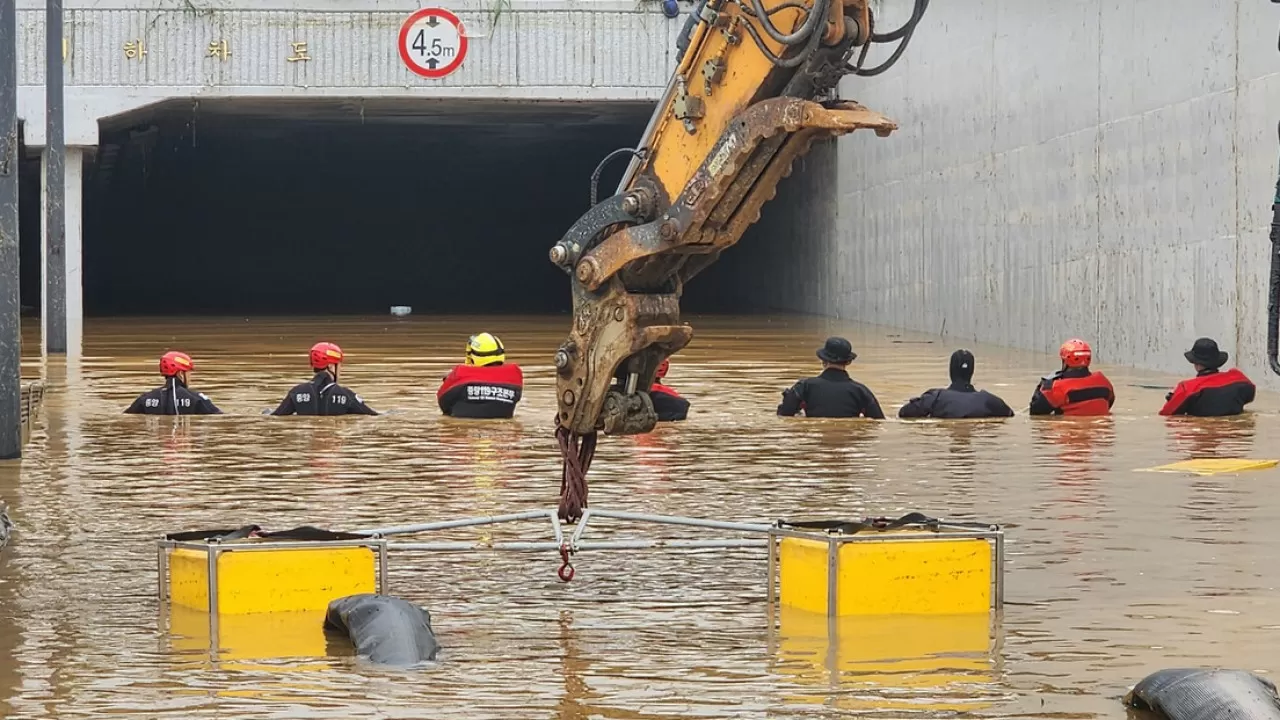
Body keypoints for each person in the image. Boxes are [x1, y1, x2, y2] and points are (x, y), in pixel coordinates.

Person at [777, 337, 884, 419]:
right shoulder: (861, 391)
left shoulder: (804, 386)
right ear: (848, 362)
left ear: (823, 361)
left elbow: (784, 415)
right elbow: (878, 421)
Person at [899, 349, 1015, 419]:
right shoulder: (990, 401)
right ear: (972, 371)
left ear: (951, 370)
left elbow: (903, 413)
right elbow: (1011, 415)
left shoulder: (936, 397)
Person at [271, 342, 378, 416]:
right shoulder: (346, 395)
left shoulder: (296, 393)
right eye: (339, 365)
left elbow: (275, 416)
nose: (341, 369)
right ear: (331, 366)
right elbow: (373, 415)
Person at [1159, 337, 1255, 416]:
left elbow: (1166, 413)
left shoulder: (1186, 388)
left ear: (1195, 363)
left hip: (1202, 433)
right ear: (1218, 360)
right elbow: (1250, 397)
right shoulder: (1238, 378)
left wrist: (1172, 399)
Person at [437, 332, 524, 418]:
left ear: (474, 356)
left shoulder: (460, 372)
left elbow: (443, 402)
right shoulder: (515, 374)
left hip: (464, 426)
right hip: (503, 427)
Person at [1029, 338, 1115, 416]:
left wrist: (1044, 384)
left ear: (1065, 361)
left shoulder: (1057, 388)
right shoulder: (1103, 382)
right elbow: (1109, 403)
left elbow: (1035, 411)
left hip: (1069, 431)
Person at [124, 351, 222, 415]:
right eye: (188, 373)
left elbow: (128, 416)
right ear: (180, 374)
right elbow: (218, 416)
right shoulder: (197, 399)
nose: (190, 377)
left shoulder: (145, 399)